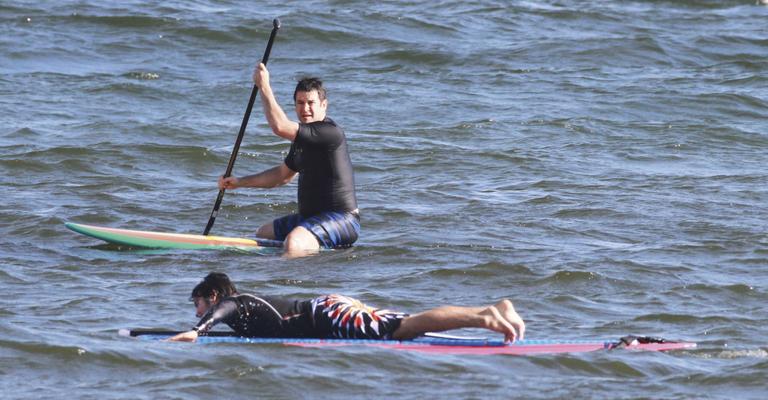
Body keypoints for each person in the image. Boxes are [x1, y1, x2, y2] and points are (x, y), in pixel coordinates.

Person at [218, 63, 359, 256]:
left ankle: (288, 283)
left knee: (294, 242)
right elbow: (282, 176)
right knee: (263, 234)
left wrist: (264, 86)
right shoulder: (302, 141)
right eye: (300, 103)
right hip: (310, 218)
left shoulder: (330, 133)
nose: (305, 108)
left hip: (342, 220)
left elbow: (279, 127)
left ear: (323, 105)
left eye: (311, 103)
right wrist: (239, 182)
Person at [168, 272, 526, 343]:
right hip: (328, 308)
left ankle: (486, 315)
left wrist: (197, 332)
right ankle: (487, 310)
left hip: (327, 313)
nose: (196, 310)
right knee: (402, 325)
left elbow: (225, 311)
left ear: (211, 295)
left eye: (198, 303)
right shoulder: (238, 308)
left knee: (405, 327)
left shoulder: (233, 303)